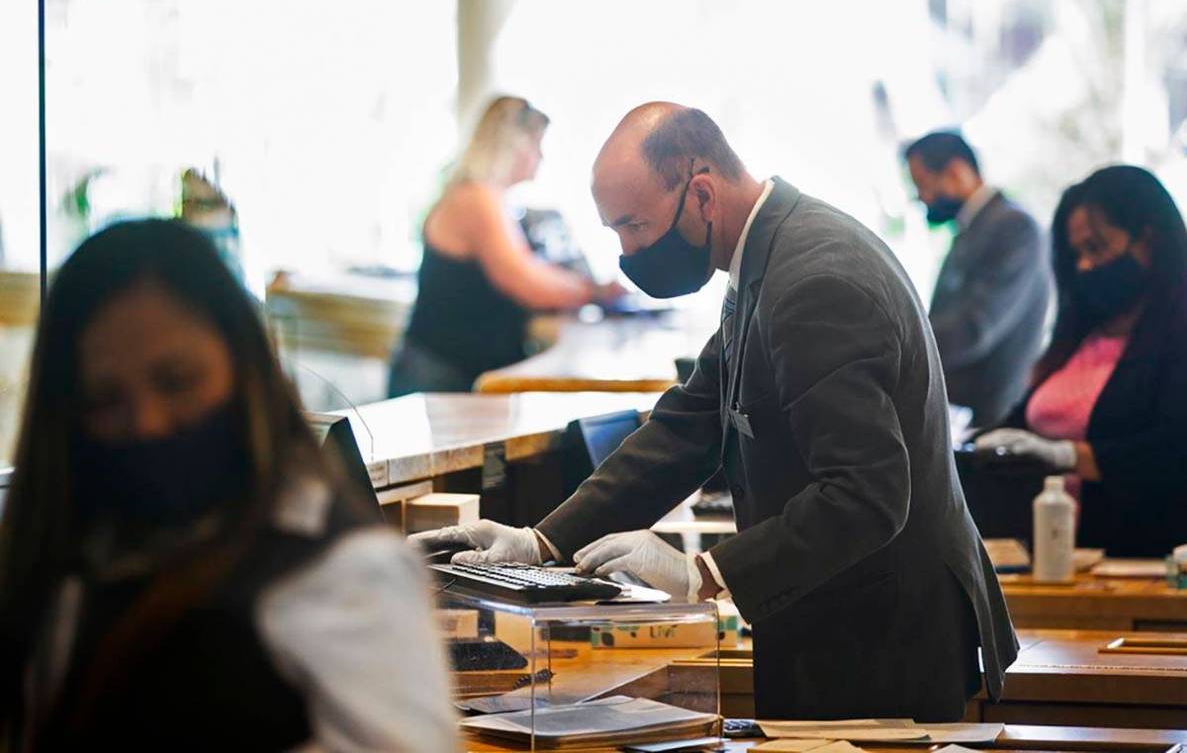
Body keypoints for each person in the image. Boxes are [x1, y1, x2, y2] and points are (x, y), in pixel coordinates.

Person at [412, 103, 1018, 721]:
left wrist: (702, 572)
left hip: (884, 638)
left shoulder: (813, 280)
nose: (627, 252)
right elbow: (687, 426)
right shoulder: (769, 254)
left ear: (701, 193)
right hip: (838, 615)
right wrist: (539, 542)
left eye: (635, 226)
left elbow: (867, 495)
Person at [0, 220, 456, 751]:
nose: (147, 422)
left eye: (177, 381)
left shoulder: (337, 571)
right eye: (105, 400)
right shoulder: (70, 558)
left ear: (243, 365)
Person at [975, 165, 1187, 557]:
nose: (1085, 267)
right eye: (1077, 255)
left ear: (1149, 240)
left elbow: (1173, 449)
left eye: (1097, 247)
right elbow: (1020, 424)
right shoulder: (1079, 338)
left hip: (1143, 562)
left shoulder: (1177, 334)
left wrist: (1070, 456)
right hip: (1055, 561)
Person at [389, 96, 612, 396]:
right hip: (441, 373)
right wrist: (595, 291)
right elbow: (526, 282)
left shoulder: (487, 198)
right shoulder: (476, 199)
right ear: (513, 144)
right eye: (536, 145)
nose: (541, 157)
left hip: (451, 368)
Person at [905, 131, 1049, 426]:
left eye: (923, 184)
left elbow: (975, 325)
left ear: (956, 172)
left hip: (986, 415)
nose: (920, 197)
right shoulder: (976, 225)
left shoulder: (1013, 226)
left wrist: (903, 352)